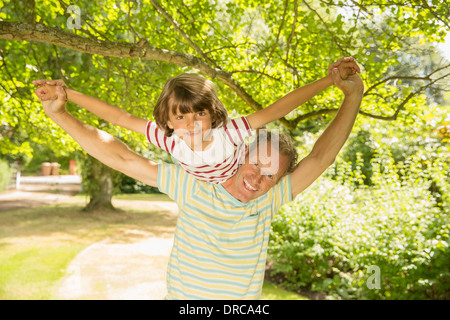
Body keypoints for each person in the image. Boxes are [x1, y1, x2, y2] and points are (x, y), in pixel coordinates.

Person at [34, 58, 364, 299]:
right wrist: (62, 112)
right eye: (256, 164)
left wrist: (350, 95)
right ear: (243, 154)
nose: (257, 179)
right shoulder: (192, 186)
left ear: (279, 182)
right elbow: (118, 154)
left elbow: (322, 156)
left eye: (270, 175)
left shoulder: (270, 199)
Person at [33, 57, 359, 183]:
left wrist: (329, 81)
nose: (192, 124)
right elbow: (118, 117)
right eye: (182, 116)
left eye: (200, 114)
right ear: (168, 120)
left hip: (236, 185)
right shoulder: (166, 138)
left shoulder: (229, 134)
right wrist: (67, 93)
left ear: (212, 114)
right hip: (201, 191)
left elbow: (276, 110)